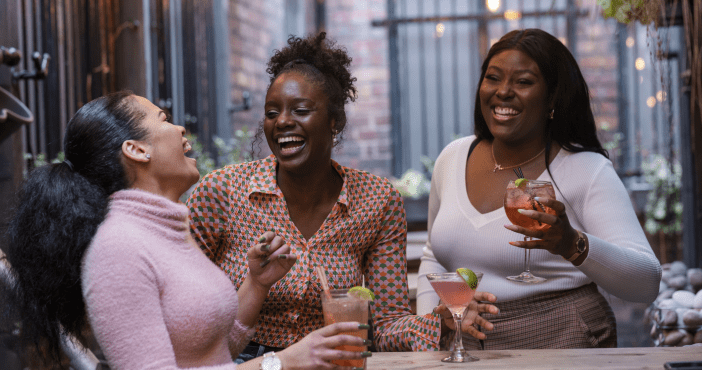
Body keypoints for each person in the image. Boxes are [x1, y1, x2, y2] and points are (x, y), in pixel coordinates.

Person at [3, 91, 370, 369]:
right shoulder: (118, 250)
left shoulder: (171, 228)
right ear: (136, 149)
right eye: (163, 119)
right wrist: (281, 362)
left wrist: (256, 284)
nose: (179, 127)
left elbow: (213, 352)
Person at [187, 32, 498, 358]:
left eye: (301, 110)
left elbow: (386, 326)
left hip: (333, 361)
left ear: (335, 122)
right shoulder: (220, 193)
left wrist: (442, 322)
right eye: (271, 112)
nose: (282, 122)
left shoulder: (376, 201)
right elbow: (184, 301)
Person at [417, 28, 662, 349]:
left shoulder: (586, 170)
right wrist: (430, 326)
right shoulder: (453, 157)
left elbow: (645, 283)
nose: (503, 91)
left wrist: (572, 243)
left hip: (563, 342)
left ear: (552, 99)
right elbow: (434, 256)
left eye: (523, 81)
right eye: (493, 77)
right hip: (469, 348)